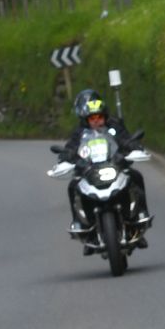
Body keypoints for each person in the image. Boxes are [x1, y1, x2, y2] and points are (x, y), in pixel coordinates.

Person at [60, 88, 151, 238]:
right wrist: (66, 155)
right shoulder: (80, 132)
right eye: (92, 118)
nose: (96, 121)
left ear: (104, 115)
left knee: (136, 176)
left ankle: (141, 214)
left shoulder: (113, 125)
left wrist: (132, 146)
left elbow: (124, 138)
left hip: (115, 165)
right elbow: (72, 146)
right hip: (89, 169)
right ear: (85, 118)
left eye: (99, 117)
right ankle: (79, 222)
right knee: (73, 186)